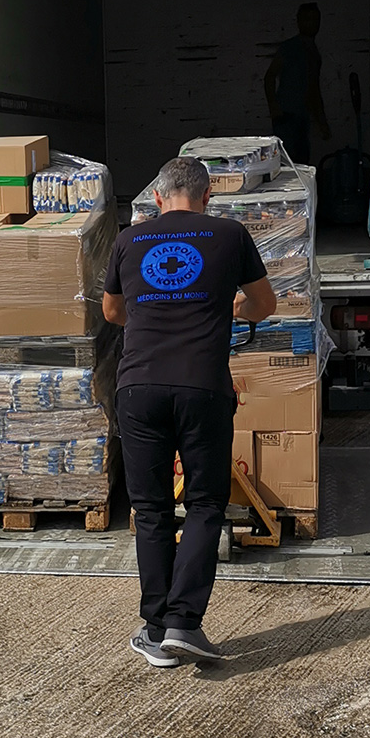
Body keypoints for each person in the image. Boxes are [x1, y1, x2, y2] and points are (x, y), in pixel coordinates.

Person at [103, 156, 277, 667]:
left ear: (157, 198)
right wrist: (228, 308)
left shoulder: (128, 240)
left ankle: (157, 630)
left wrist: (155, 306)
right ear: (207, 197)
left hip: (138, 388)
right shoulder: (229, 234)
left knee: (152, 508)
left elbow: (113, 312)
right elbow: (263, 303)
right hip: (203, 387)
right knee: (204, 502)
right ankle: (184, 623)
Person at [264, 2, 331, 164]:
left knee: (301, 162)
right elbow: (269, 76)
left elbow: (314, 88)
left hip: (302, 116)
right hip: (286, 116)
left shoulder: (313, 52)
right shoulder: (290, 48)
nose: (312, 23)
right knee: (287, 163)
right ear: (299, 22)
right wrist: (274, 106)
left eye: (315, 19)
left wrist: (320, 120)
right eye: (307, 19)